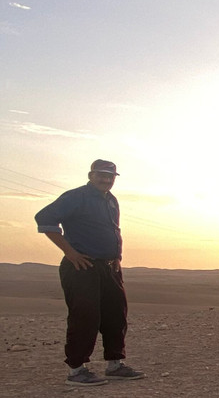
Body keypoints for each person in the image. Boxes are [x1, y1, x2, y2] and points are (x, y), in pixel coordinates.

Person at [34, 159, 145, 386]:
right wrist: (70, 252)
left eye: (110, 176)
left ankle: (114, 365)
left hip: (109, 266)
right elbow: (44, 218)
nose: (105, 180)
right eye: (101, 175)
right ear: (90, 175)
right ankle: (77, 370)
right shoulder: (76, 197)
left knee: (116, 313)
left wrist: (117, 257)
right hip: (82, 266)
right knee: (85, 316)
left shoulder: (111, 200)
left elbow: (113, 231)